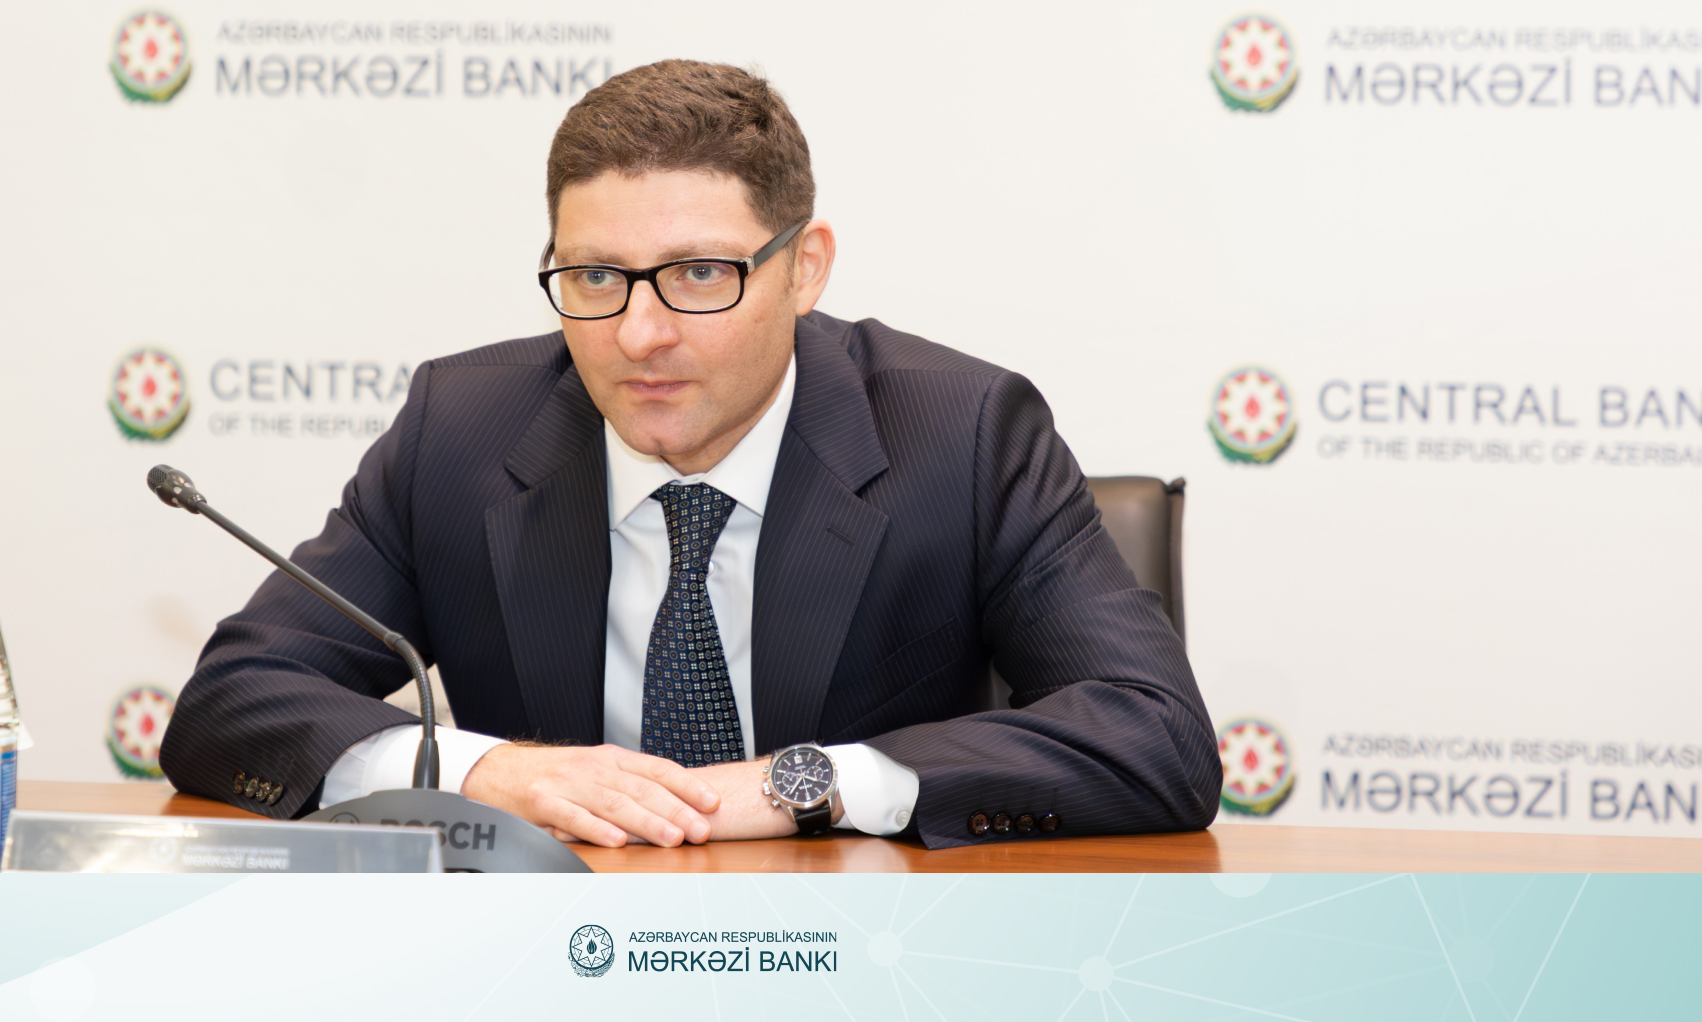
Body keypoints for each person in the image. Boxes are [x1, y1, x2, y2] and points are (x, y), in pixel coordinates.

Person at [160, 61, 1220, 848]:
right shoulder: (461, 431)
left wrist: (807, 785)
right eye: (594, 277)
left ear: (804, 268)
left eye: (699, 275)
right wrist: (482, 773)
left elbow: (1154, 735)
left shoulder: (959, 433)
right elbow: (235, 699)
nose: (638, 334)